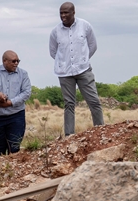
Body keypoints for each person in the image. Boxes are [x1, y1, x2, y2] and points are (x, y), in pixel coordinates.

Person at [49, 2, 104, 136]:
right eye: (61, 13)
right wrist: (64, 63)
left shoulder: (85, 26)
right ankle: (69, 136)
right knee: (69, 104)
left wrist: (82, 60)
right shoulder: (55, 32)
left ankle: (100, 131)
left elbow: (93, 45)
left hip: (84, 70)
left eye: (66, 12)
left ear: (73, 12)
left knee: (94, 101)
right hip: (65, 73)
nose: (63, 15)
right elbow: (53, 52)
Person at [0, 51, 32, 155]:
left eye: (18, 61)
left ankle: (14, 170)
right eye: (13, 61)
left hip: (16, 115)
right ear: (4, 61)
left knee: (14, 147)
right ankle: (0, 170)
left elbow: (26, 92)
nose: (16, 63)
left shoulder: (23, 74)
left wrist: (10, 102)